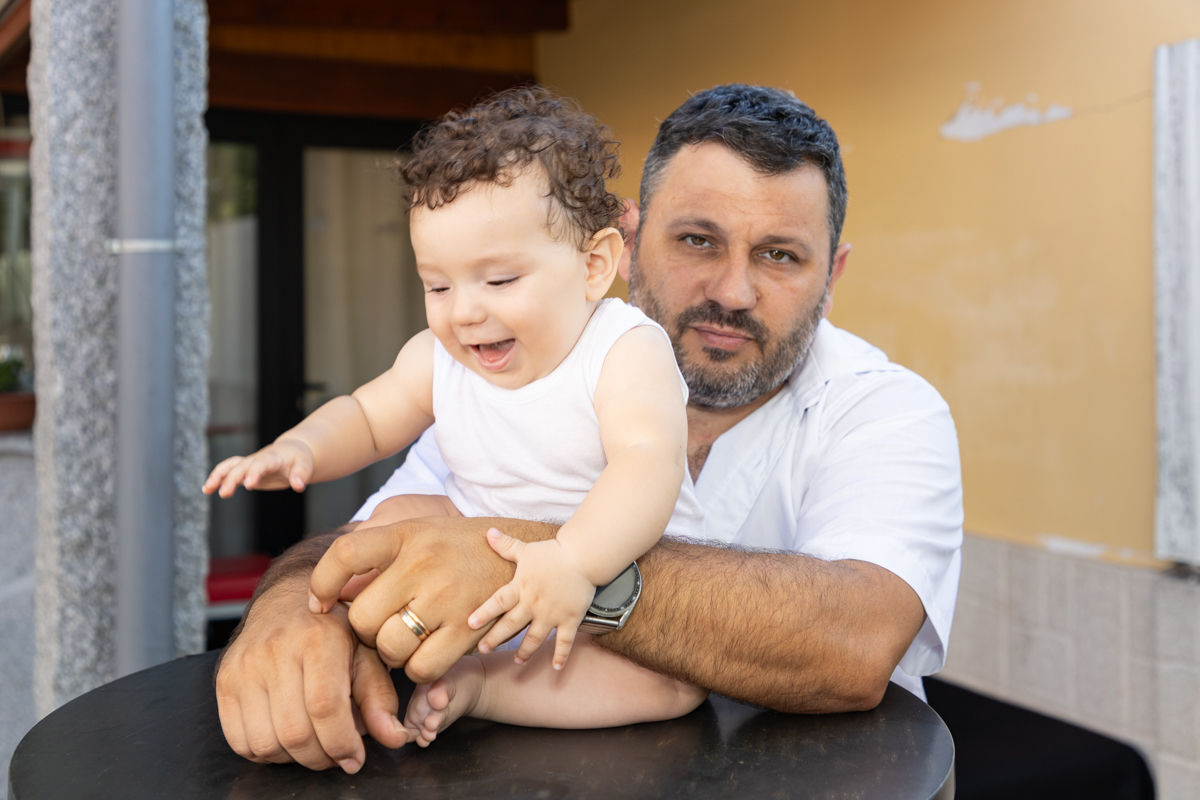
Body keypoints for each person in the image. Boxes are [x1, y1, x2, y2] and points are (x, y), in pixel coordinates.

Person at [214, 83, 963, 775]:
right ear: (625, 243)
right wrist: (295, 608)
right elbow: (386, 526)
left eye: (779, 256)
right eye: (698, 241)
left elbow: (855, 642)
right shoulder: (509, 367)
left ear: (831, 278)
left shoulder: (885, 410)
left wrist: (531, 559)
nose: (733, 291)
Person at [204, 88, 710, 744]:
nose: (464, 310)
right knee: (392, 521)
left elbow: (649, 462)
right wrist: (301, 448)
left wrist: (573, 561)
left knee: (671, 685)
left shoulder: (622, 347)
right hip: (476, 559)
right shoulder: (442, 357)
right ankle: (356, 649)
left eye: (499, 281)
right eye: (437, 286)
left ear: (593, 265)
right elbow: (366, 415)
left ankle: (483, 687)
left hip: (613, 572)